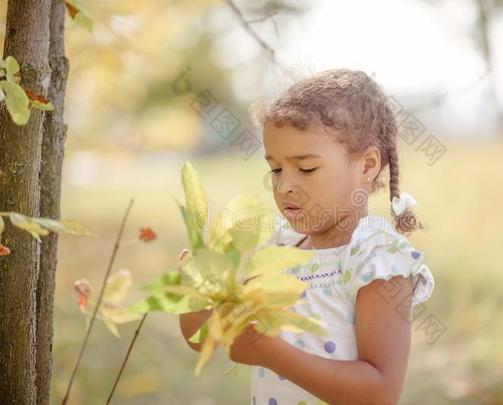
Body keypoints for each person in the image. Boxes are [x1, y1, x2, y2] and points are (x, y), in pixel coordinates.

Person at [180, 68, 435, 405]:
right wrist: (197, 294)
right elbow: (206, 338)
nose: (284, 185)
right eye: (275, 169)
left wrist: (268, 352)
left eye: (306, 168)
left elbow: (380, 391)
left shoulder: (375, 259)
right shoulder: (277, 249)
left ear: (367, 165)